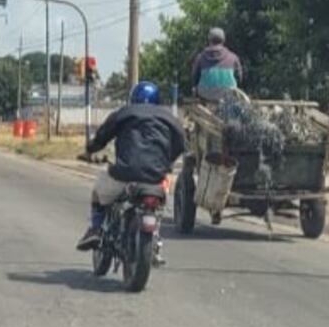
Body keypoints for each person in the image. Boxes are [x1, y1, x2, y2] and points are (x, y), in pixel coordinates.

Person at [76, 81, 186, 251]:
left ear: (132, 98)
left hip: (124, 173)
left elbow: (103, 136)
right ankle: (155, 239)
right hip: (156, 178)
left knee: (98, 193)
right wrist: (166, 162)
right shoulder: (170, 118)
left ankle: (95, 230)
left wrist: (90, 149)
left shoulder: (124, 113)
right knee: (158, 209)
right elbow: (181, 143)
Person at [192, 27, 243, 101]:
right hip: (228, 93)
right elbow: (239, 78)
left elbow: (194, 77)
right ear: (223, 40)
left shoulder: (200, 57)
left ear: (209, 40)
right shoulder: (233, 57)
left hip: (205, 94)